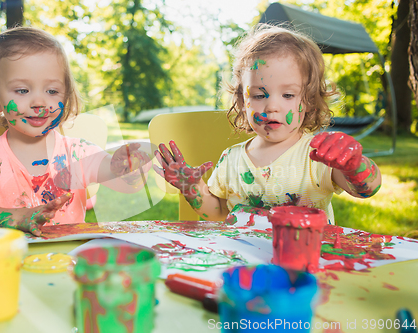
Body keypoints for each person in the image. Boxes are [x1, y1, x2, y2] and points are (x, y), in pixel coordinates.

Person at [154, 24, 381, 225]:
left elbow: (366, 189)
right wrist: (192, 188)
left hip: (303, 265)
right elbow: (219, 213)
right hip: (246, 263)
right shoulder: (231, 159)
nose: (272, 106)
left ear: (309, 101)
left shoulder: (316, 155)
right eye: (259, 96)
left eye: (288, 95)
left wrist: (354, 164)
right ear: (243, 101)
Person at [0, 27, 150, 236]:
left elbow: (121, 182)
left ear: (65, 95)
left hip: (68, 260)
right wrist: (21, 217)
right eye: (22, 90)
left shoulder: (77, 153)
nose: (39, 102)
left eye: (52, 91)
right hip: (9, 260)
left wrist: (123, 166)